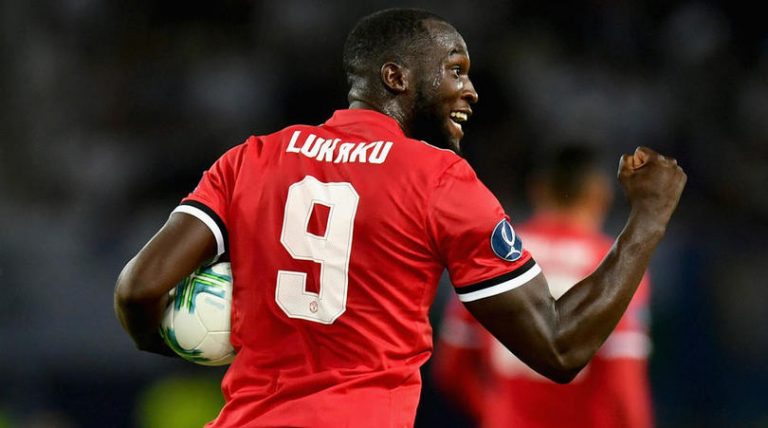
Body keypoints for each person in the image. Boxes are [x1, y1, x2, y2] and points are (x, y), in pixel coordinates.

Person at [114, 8, 686, 427]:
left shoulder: (251, 158)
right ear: (396, 78)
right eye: (455, 71)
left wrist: (182, 341)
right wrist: (649, 219)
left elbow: (138, 290)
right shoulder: (437, 179)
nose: (471, 91)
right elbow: (559, 348)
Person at [433, 145, 654, 427]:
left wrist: (495, 414)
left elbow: (451, 369)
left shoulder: (494, 254)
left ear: (537, 189)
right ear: (600, 194)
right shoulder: (613, 266)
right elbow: (624, 385)